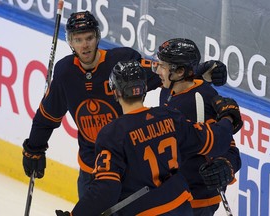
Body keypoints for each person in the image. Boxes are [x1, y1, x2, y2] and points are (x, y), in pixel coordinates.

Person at [21, 11, 228, 200]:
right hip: (92, 167)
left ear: (97, 37)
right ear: (71, 43)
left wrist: (201, 70)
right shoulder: (65, 72)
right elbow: (48, 115)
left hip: (130, 166)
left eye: (89, 38)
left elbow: (164, 73)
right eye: (78, 40)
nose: (85, 45)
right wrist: (34, 148)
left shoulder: (122, 64)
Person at [55, 60, 242, 216]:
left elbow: (106, 189)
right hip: (180, 207)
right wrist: (228, 117)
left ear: (115, 92)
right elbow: (214, 139)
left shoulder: (112, 134)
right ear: (144, 89)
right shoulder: (169, 116)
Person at [153, 38, 242, 215]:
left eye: (163, 66)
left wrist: (227, 165)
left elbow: (227, 145)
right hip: (174, 194)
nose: (157, 71)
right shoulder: (167, 90)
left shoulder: (202, 99)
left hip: (198, 200)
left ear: (179, 72)